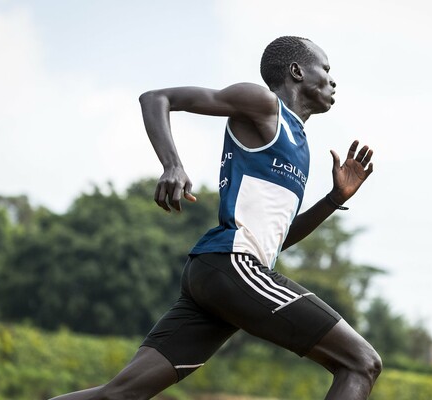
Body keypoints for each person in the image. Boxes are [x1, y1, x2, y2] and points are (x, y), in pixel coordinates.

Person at [50, 35, 381, 400]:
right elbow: (157, 98)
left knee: (120, 394)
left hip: (219, 273)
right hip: (232, 264)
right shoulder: (262, 104)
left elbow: (277, 239)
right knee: (361, 362)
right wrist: (172, 165)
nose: (333, 81)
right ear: (297, 71)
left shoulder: (299, 144)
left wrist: (333, 199)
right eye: (327, 69)